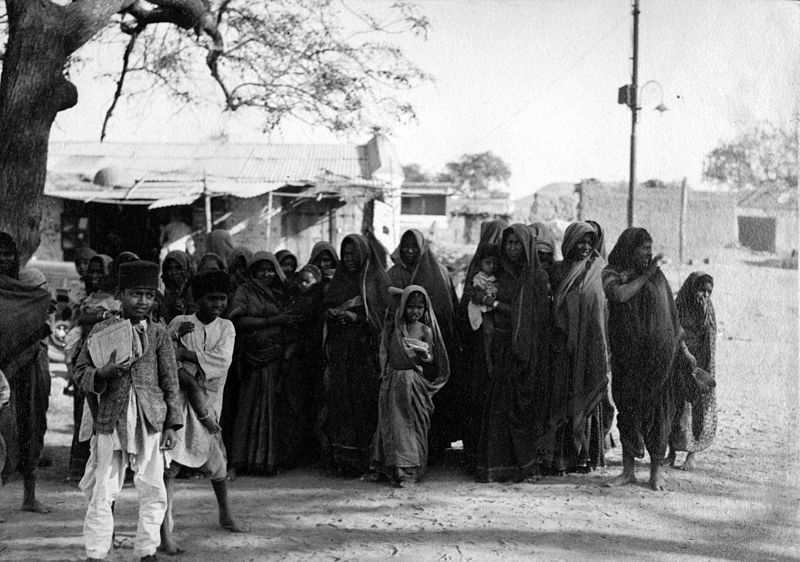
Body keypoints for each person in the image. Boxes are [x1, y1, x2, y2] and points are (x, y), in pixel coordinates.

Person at [75, 260, 182, 561]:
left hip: (149, 421)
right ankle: (96, 553)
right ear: (120, 294)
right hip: (111, 419)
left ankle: (147, 550)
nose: (143, 301)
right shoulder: (102, 329)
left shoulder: (159, 333)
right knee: (102, 491)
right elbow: (80, 371)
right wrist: (102, 373)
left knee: (153, 489)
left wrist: (172, 424)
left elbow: (170, 381)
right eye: (136, 294)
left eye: (150, 295)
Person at [602, 228, 696, 491]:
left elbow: (672, 317)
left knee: (659, 413)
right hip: (628, 359)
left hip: (659, 360)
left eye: (649, 247)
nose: (648, 252)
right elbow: (618, 295)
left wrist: (684, 350)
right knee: (629, 411)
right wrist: (646, 274)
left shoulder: (659, 278)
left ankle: (656, 472)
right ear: (628, 248)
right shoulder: (611, 272)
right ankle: (628, 471)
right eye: (643, 248)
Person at [161, 271, 246, 555]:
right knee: (170, 464)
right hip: (180, 401)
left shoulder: (227, 328)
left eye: (222, 299)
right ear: (197, 299)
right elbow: (164, 357)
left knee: (216, 461)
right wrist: (175, 338)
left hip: (210, 400)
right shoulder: (180, 323)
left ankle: (225, 512)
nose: (218, 304)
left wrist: (186, 355)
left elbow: (223, 361)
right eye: (211, 299)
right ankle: (165, 526)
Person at [468, 223, 552, 483]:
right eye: (509, 243)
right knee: (501, 405)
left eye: (517, 243)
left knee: (523, 406)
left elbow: (529, 315)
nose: (513, 248)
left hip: (529, 348)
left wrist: (492, 303)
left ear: (527, 246)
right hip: (502, 346)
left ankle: (526, 466)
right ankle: (498, 466)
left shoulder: (536, 278)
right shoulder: (499, 275)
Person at [386, 229, 460, 461]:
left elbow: (449, 308)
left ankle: (433, 449)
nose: (409, 250)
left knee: (431, 402)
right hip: (401, 346)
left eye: (414, 246)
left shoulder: (438, 271)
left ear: (422, 248)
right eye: (405, 245)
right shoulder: (393, 274)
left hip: (433, 342)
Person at [543, 222, 610, 475]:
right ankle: (559, 458)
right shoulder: (558, 271)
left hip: (591, 346)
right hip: (561, 347)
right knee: (561, 397)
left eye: (589, 241)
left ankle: (585, 456)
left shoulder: (599, 269)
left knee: (587, 395)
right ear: (569, 242)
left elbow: (604, 309)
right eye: (580, 241)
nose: (584, 247)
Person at [320, 234, 389, 475]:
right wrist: (331, 315)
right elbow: (324, 307)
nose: (349, 259)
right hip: (341, 352)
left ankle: (367, 460)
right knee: (341, 402)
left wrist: (357, 317)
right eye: (345, 253)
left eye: (353, 253)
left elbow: (383, 318)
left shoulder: (376, 279)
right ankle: (345, 460)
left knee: (364, 403)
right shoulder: (339, 278)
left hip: (365, 353)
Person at [369, 286, 450, 487]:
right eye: (410, 306)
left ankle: (411, 471)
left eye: (419, 307)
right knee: (393, 426)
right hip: (394, 381)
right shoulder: (395, 327)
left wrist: (424, 355)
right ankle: (392, 468)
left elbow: (430, 358)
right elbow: (385, 349)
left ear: (425, 309)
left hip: (414, 382)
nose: (415, 311)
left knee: (413, 426)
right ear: (403, 307)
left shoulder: (425, 330)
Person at [227, 251, 296, 477]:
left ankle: (267, 460)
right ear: (253, 271)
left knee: (272, 407)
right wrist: (271, 321)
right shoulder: (244, 291)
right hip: (252, 356)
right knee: (248, 404)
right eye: (261, 270)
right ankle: (241, 459)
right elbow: (237, 320)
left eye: (269, 269)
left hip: (275, 355)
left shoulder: (280, 292)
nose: (266, 274)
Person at [0, 232, 53, 514]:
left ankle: (29, 496)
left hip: (30, 367)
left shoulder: (26, 291)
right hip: (2, 373)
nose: (2, 258)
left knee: (32, 426)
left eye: (7, 252)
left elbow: (37, 320)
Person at [458, 219, 508, 467]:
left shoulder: (507, 271)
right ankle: (475, 454)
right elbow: (464, 309)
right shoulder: (477, 273)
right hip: (477, 347)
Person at [667, 272, 717, 471]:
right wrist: (685, 352)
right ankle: (670, 453)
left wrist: (702, 368)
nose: (704, 295)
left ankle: (692, 455)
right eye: (701, 290)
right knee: (674, 405)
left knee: (697, 407)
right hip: (678, 361)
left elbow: (710, 339)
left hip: (699, 364)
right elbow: (673, 331)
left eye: (708, 292)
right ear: (691, 288)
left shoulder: (708, 309)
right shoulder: (678, 306)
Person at [279, 264, 324, 467]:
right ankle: (292, 455)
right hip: (297, 361)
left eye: (309, 281)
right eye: (301, 281)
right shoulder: (293, 300)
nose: (304, 285)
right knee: (294, 407)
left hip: (312, 359)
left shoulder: (318, 302)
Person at [466, 245, 500, 373]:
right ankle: (488, 360)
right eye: (488, 263)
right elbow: (477, 295)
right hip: (482, 309)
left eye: (494, 263)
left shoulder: (498, 277)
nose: (491, 266)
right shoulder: (478, 278)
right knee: (487, 331)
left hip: (491, 308)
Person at [161, 250, 195, 323]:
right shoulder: (161, 290)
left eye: (177, 268)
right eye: (170, 268)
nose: (173, 272)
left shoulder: (194, 289)